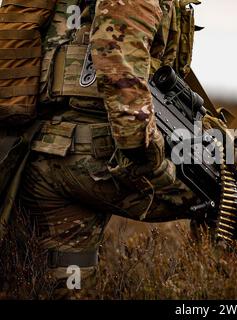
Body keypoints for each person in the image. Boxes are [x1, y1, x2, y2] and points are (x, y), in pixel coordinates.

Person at [19, 0, 201, 293]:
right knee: (221, 204)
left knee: (68, 277)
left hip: (51, 148)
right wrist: (154, 163)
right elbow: (118, 67)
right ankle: (225, 284)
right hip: (94, 155)